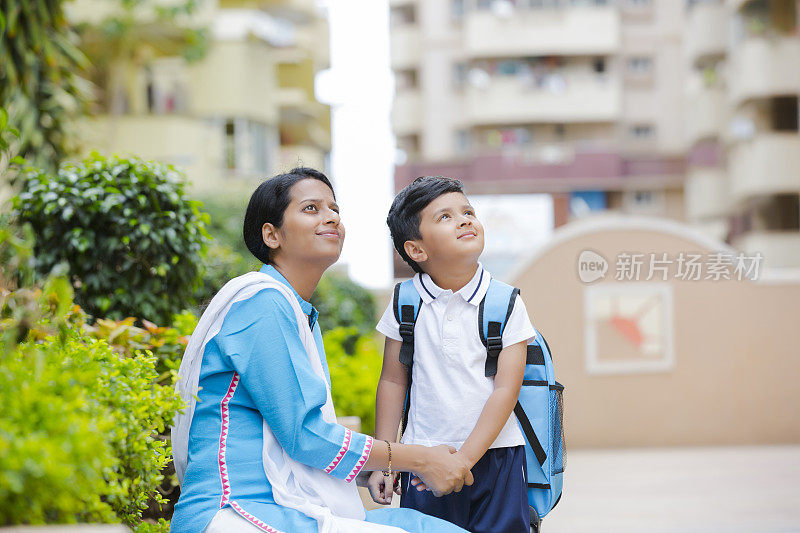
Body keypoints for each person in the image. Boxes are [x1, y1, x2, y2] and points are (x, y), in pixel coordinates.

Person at [170, 168, 472, 533]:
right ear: (272, 234)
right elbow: (304, 435)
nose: (331, 217)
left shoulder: (294, 310)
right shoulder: (261, 303)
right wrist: (421, 459)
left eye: (334, 209)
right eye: (311, 208)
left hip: (281, 506)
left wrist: (373, 469)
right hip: (235, 511)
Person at [367, 176, 535, 533]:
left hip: (496, 457)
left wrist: (462, 462)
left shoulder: (506, 303)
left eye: (467, 211)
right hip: (422, 458)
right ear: (416, 250)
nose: (464, 219)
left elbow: (506, 390)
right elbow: (393, 381)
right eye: (444, 217)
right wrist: (386, 460)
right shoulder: (405, 302)